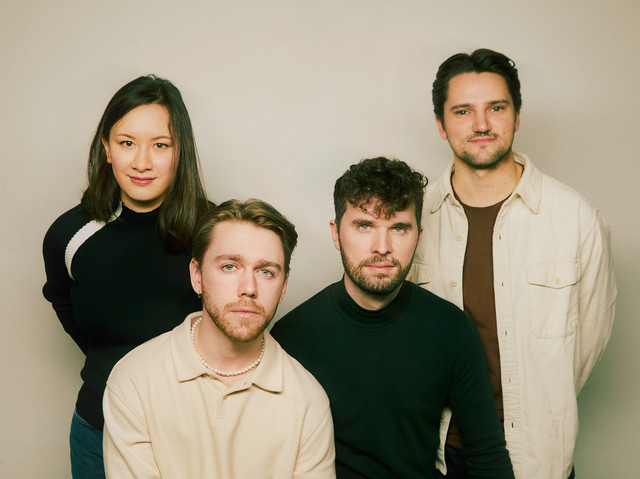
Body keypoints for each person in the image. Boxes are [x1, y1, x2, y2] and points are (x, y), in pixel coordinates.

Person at [408, 49, 617, 479]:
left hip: (539, 459)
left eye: (496, 108)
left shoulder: (576, 218)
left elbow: (587, 344)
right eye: (463, 111)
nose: (481, 124)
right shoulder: (413, 220)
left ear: (517, 116)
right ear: (441, 125)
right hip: (440, 456)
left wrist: (540, 409)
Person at [271, 157, 514, 479]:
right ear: (336, 232)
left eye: (398, 228)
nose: (382, 247)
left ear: (418, 235)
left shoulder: (452, 329)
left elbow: (486, 453)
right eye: (364, 226)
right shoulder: (291, 338)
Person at [42, 75, 210, 478]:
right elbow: (63, 303)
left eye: (160, 145)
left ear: (180, 151)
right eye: (127, 142)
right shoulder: (69, 235)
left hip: (193, 435)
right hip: (97, 435)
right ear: (106, 148)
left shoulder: (214, 231)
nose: (141, 162)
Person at [103, 199, 336, 479]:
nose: (248, 288)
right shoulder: (134, 379)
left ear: (283, 286)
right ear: (197, 275)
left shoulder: (309, 401)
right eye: (229, 267)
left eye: (266, 272)